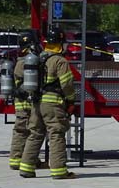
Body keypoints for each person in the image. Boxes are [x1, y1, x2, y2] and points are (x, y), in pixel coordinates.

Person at [19, 27, 77, 179]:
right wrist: (71, 99)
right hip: (53, 103)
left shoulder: (39, 58)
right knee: (56, 134)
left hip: (36, 102)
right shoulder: (60, 61)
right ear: (60, 43)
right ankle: (59, 171)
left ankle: (26, 168)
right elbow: (66, 84)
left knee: (35, 133)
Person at [8, 32, 48, 171]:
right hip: (27, 101)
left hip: (22, 101)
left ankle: (20, 159)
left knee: (22, 131)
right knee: (27, 131)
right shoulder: (26, 61)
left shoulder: (21, 60)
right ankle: (19, 159)